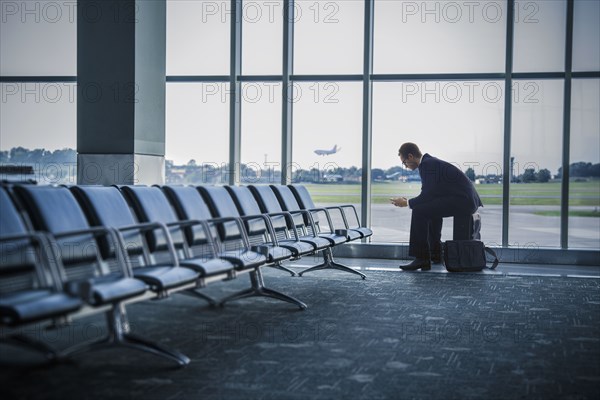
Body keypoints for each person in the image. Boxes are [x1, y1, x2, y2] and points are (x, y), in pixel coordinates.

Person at [390, 143, 483, 271]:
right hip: (466, 200)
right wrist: (410, 201)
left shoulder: (427, 165)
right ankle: (435, 254)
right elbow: (431, 194)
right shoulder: (429, 163)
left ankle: (421, 258)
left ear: (410, 156)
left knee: (419, 211)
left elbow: (427, 194)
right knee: (429, 209)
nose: (405, 166)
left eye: (404, 162)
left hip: (464, 202)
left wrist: (407, 203)